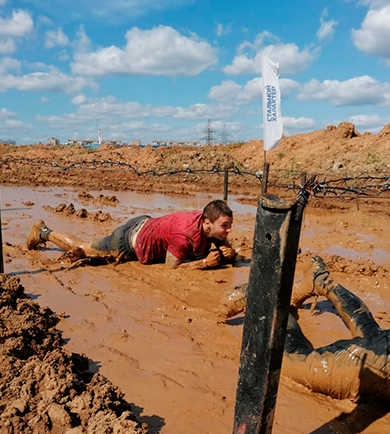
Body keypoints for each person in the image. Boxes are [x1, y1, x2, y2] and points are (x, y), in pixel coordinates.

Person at [218, 256, 390, 400]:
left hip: (381, 352)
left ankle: (321, 280)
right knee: (284, 360)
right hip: (370, 364)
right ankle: (263, 298)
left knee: (369, 331)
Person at [26, 199, 236, 269]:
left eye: (230, 225)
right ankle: (43, 232)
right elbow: (171, 270)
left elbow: (224, 242)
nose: (228, 231)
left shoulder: (208, 221)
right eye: (225, 226)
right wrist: (203, 264)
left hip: (147, 224)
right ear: (206, 223)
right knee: (82, 249)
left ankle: (44, 232)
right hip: (128, 240)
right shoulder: (185, 236)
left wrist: (230, 253)